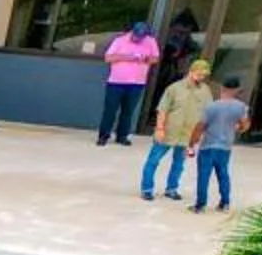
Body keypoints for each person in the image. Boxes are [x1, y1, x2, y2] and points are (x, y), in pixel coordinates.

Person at [143, 57, 213, 201]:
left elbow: (208, 112)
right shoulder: (174, 88)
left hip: (188, 134)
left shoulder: (205, 91)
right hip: (169, 132)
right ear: (191, 71)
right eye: (199, 74)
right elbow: (162, 110)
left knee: (179, 163)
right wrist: (160, 128)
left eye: (204, 75)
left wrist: (202, 133)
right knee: (154, 160)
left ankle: (172, 188)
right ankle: (147, 188)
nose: (201, 77)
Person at [190, 77, 250, 212]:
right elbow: (245, 125)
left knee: (204, 175)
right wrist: (236, 129)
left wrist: (192, 142)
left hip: (208, 145)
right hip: (226, 146)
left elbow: (200, 126)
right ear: (237, 90)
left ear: (222, 88)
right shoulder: (241, 107)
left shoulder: (212, 106)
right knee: (223, 173)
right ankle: (225, 202)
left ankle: (200, 204)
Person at [99, 20, 160, 144]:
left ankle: (122, 136)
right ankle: (103, 135)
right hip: (116, 82)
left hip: (137, 83)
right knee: (110, 110)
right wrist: (128, 57)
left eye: (141, 37)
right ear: (132, 32)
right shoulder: (120, 40)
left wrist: (146, 59)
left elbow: (155, 58)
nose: (138, 39)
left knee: (128, 111)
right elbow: (108, 57)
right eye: (136, 36)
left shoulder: (150, 41)